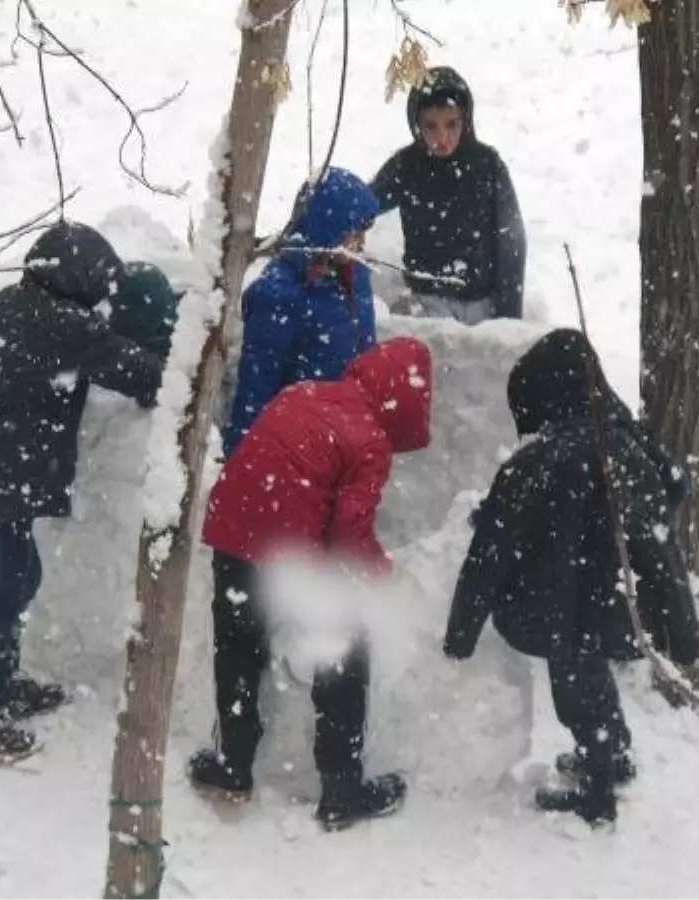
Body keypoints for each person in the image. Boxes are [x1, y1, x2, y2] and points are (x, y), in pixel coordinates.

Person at [442, 329, 699, 825]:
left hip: (564, 607)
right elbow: (669, 502)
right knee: (591, 678)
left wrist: (461, 634)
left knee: (577, 691)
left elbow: (490, 555)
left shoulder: (539, 463)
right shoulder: (631, 442)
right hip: (627, 601)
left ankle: (598, 792)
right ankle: (612, 754)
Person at [0, 221, 177, 764]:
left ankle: (0, 685)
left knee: (17, 577)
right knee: (4, 591)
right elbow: (143, 374)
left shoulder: (11, 302)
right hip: (7, 474)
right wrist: (176, 353)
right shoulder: (64, 326)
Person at [190, 336, 434, 831]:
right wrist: (386, 576)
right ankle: (342, 789)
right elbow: (348, 532)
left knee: (237, 645)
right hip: (287, 553)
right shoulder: (369, 438)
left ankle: (233, 767)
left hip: (233, 532)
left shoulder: (305, 392)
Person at [221, 166, 380, 457]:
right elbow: (256, 387)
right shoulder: (279, 296)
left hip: (348, 433)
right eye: (353, 233)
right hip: (300, 445)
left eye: (363, 232)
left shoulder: (353, 273)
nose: (361, 244)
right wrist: (240, 458)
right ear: (325, 230)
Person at [370, 66, 527, 324]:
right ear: (416, 124)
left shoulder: (487, 165)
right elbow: (362, 204)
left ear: (466, 120)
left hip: (483, 304)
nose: (442, 137)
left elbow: (512, 241)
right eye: (431, 126)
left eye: (452, 124)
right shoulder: (407, 165)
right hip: (426, 301)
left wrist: (509, 317)